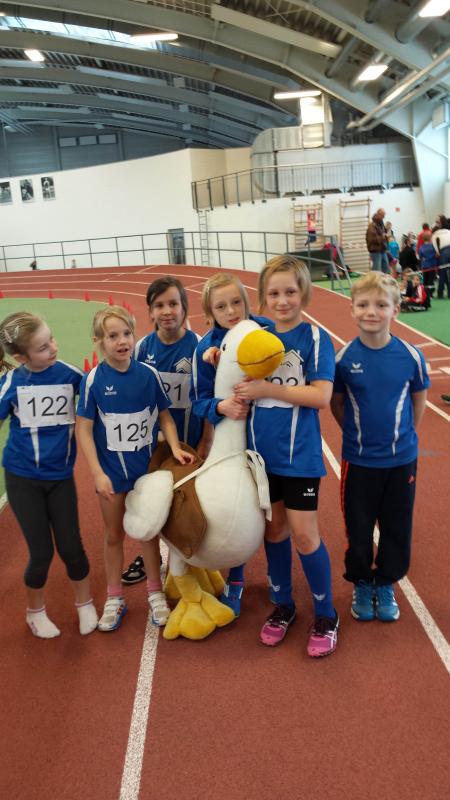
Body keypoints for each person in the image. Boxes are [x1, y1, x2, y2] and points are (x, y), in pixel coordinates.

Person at [234, 255, 339, 657]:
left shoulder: (314, 339)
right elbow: (224, 356)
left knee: (305, 534)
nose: (282, 301)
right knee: (274, 531)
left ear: (304, 294)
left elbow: (321, 396)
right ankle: (283, 606)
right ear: (263, 297)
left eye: (290, 292)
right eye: (274, 293)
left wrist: (267, 389)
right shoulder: (254, 338)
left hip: (299, 457)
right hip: (261, 459)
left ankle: (326, 614)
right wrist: (213, 356)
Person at [77, 306, 194, 632]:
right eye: (112, 336)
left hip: (145, 474)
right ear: (98, 341)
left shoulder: (148, 374)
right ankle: (114, 597)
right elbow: (83, 429)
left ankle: (155, 593)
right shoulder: (93, 380)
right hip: (112, 475)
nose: (122, 341)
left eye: (127, 334)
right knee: (114, 535)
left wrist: (174, 447)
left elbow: (165, 416)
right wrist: (97, 473)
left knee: (148, 533)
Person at [331, 273, 429, 623]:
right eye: (363, 305)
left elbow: (418, 400)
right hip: (359, 463)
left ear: (395, 310)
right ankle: (361, 581)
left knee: (397, 526)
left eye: (381, 305)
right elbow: (337, 404)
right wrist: (356, 436)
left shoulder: (410, 356)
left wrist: (405, 438)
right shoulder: (343, 359)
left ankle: (385, 581)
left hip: (401, 462)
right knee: (358, 528)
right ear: (352, 309)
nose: (371, 311)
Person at [0, 312, 98, 639]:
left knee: (71, 547)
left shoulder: (70, 374)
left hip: (60, 478)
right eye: (42, 347)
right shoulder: (12, 383)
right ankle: (35, 612)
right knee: (41, 552)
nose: (53, 348)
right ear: (20, 357)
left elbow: (98, 391)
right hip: (22, 479)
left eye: (51, 339)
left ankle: (85, 603)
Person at [190, 272, 272, 617]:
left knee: (271, 509)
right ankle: (236, 579)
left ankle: (277, 573)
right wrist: (220, 407)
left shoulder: (265, 330)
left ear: (246, 301)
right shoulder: (204, 348)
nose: (231, 311)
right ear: (210, 313)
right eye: (221, 306)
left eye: (236, 302)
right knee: (241, 506)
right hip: (233, 439)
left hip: (269, 434)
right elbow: (198, 400)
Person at [121, 276, 210, 586]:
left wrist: (206, 439)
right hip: (154, 445)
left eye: (173, 303)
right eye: (159, 305)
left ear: (184, 307)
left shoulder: (199, 347)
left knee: (186, 502)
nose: (167, 311)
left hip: (190, 442)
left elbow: (208, 395)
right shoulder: (142, 348)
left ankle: (188, 558)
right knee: (152, 501)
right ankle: (151, 556)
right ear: (150, 311)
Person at [366, 208, 389, 274]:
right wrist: (383, 237)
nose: (384, 217)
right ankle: (374, 280)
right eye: (383, 215)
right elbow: (371, 239)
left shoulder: (381, 224)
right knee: (377, 271)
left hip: (382, 250)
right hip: (375, 251)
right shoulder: (372, 226)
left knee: (386, 268)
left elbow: (383, 234)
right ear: (378, 214)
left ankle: (383, 281)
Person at [431, 216, 450, 299]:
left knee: (442, 272)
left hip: (444, 251)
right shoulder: (448, 231)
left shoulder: (436, 232)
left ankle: (440, 292)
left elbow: (433, 241)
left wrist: (437, 251)